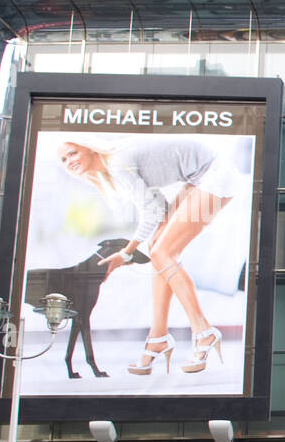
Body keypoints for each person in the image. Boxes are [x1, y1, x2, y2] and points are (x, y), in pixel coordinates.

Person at [56, 137, 243, 376]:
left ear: (90, 148)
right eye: (63, 159)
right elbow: (157, 206)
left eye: (73, 153)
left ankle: (204, 331)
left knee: (162, 252)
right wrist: (129, 252)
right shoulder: (111, 169)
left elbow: (151, 212)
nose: (69, 161)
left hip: (215, 175)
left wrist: (126, 252)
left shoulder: (117, 164)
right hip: (198, 177)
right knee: (158, 248)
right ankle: (158, 338)